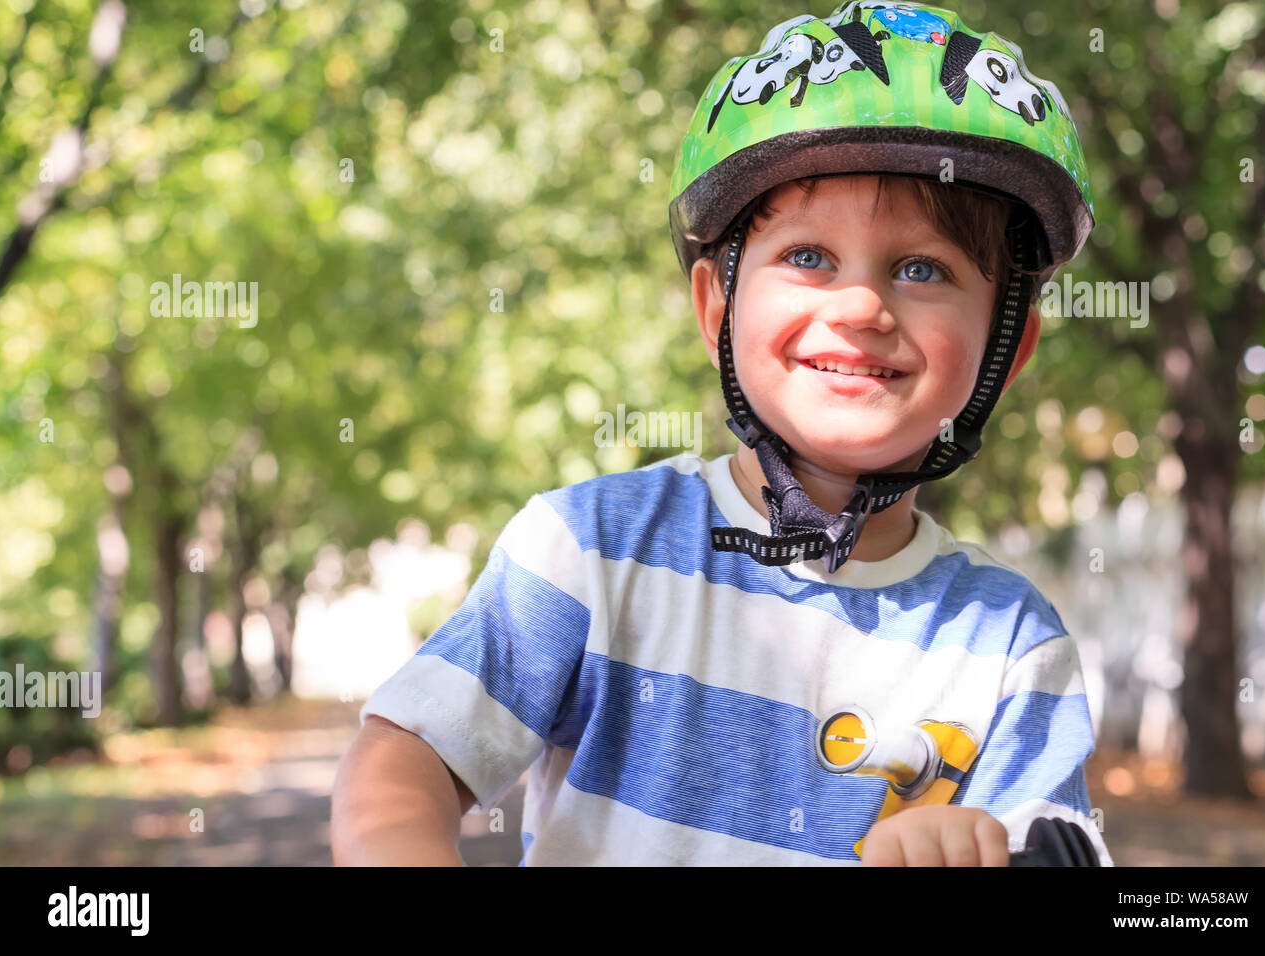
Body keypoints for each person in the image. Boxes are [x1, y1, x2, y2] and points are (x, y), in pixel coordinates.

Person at [331, 1, 1114, 867]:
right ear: (715, 307)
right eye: (808, 257)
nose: (860, 308)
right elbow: (405, 759)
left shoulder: (1007, 644)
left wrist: (982, 850)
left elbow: (1059, 846)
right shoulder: (592, 552)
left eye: (923, 269)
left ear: (1009, 347)